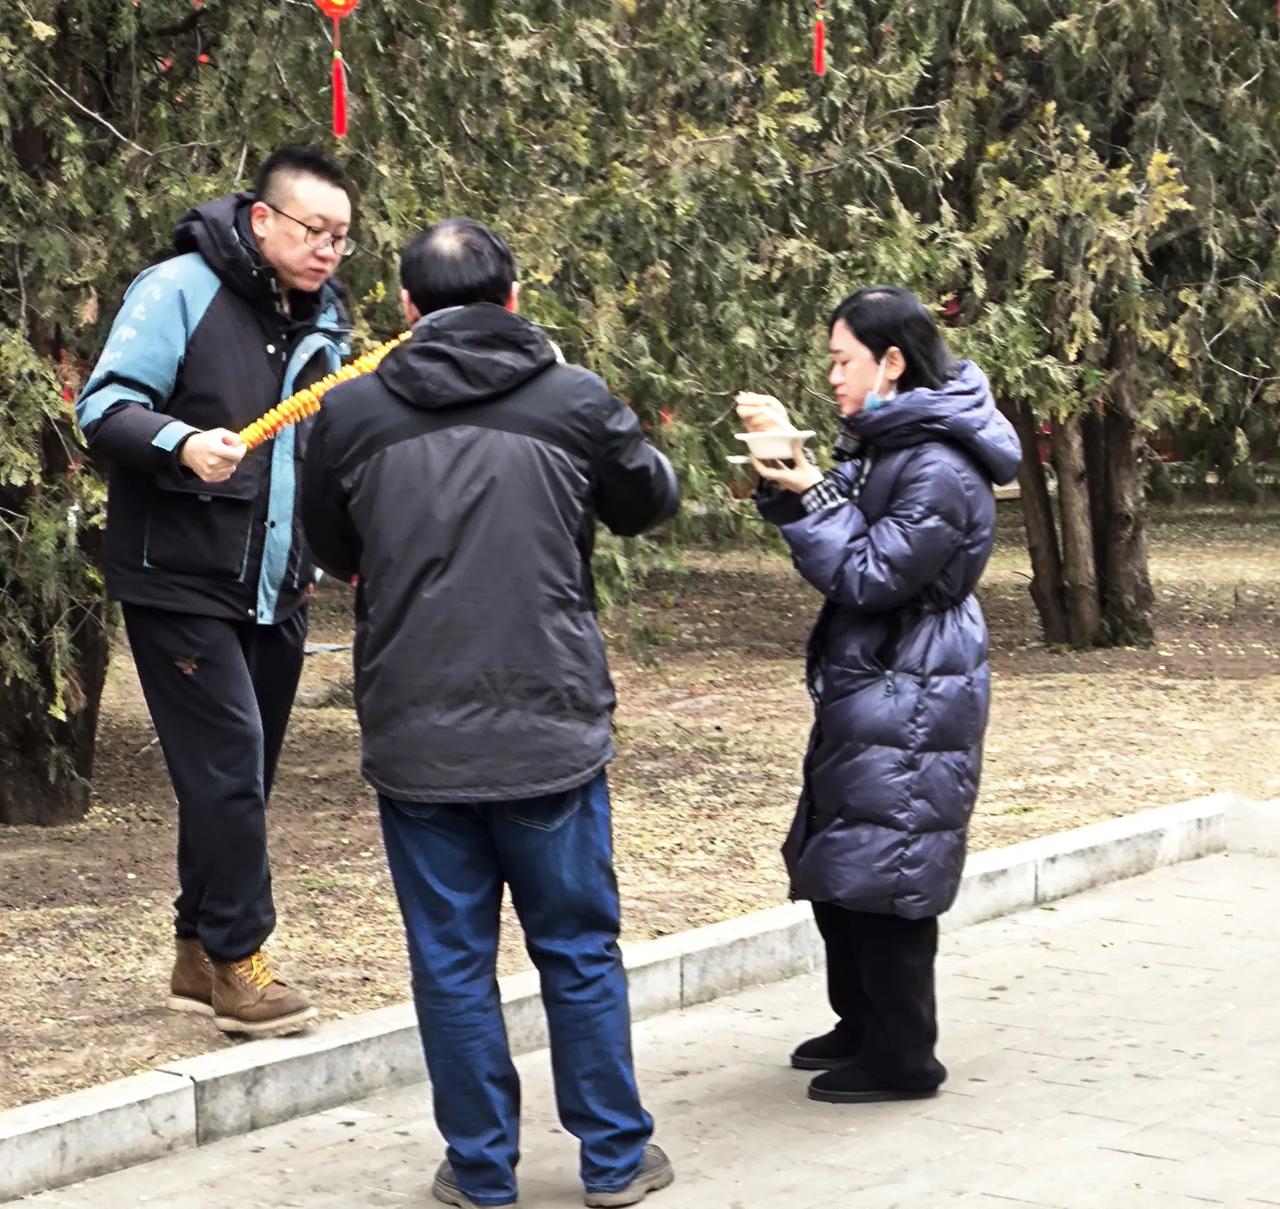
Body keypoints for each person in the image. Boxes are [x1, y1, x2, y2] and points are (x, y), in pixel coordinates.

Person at [301, 218, 679, 1209]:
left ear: (405, 310)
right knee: (577, 949)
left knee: (450, 963)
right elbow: (647, 501)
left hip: (417, 726)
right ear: (512, 299)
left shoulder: (351, 413)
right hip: (547, 720)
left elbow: (331, 546)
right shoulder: (574, 400)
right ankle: (611, 1159)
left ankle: (479, 1170)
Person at [75, 145, 355, 1038]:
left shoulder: (325, 315)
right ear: (264, 219)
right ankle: (240, 961)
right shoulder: (178, 288)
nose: (328, 251)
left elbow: (319, 445)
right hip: (180, 575)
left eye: (343, 239)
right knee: (229, 760)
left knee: (241, 776)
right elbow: (104, 407)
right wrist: (181, 443)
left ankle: (196, 949)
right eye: (316, 231)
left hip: (277, 580)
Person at [738, 285, 1020, 1104]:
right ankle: (861, 1022)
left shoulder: (935, 461)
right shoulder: (893, 440)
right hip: (877, 676)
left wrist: (801, 495)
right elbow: (844, 517)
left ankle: (904, 1057)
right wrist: (791, 474)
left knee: (889, 870)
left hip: (916, 678)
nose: (831, 376)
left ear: (891, 362)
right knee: (842, 858)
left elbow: (870, 571)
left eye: (842, 360)